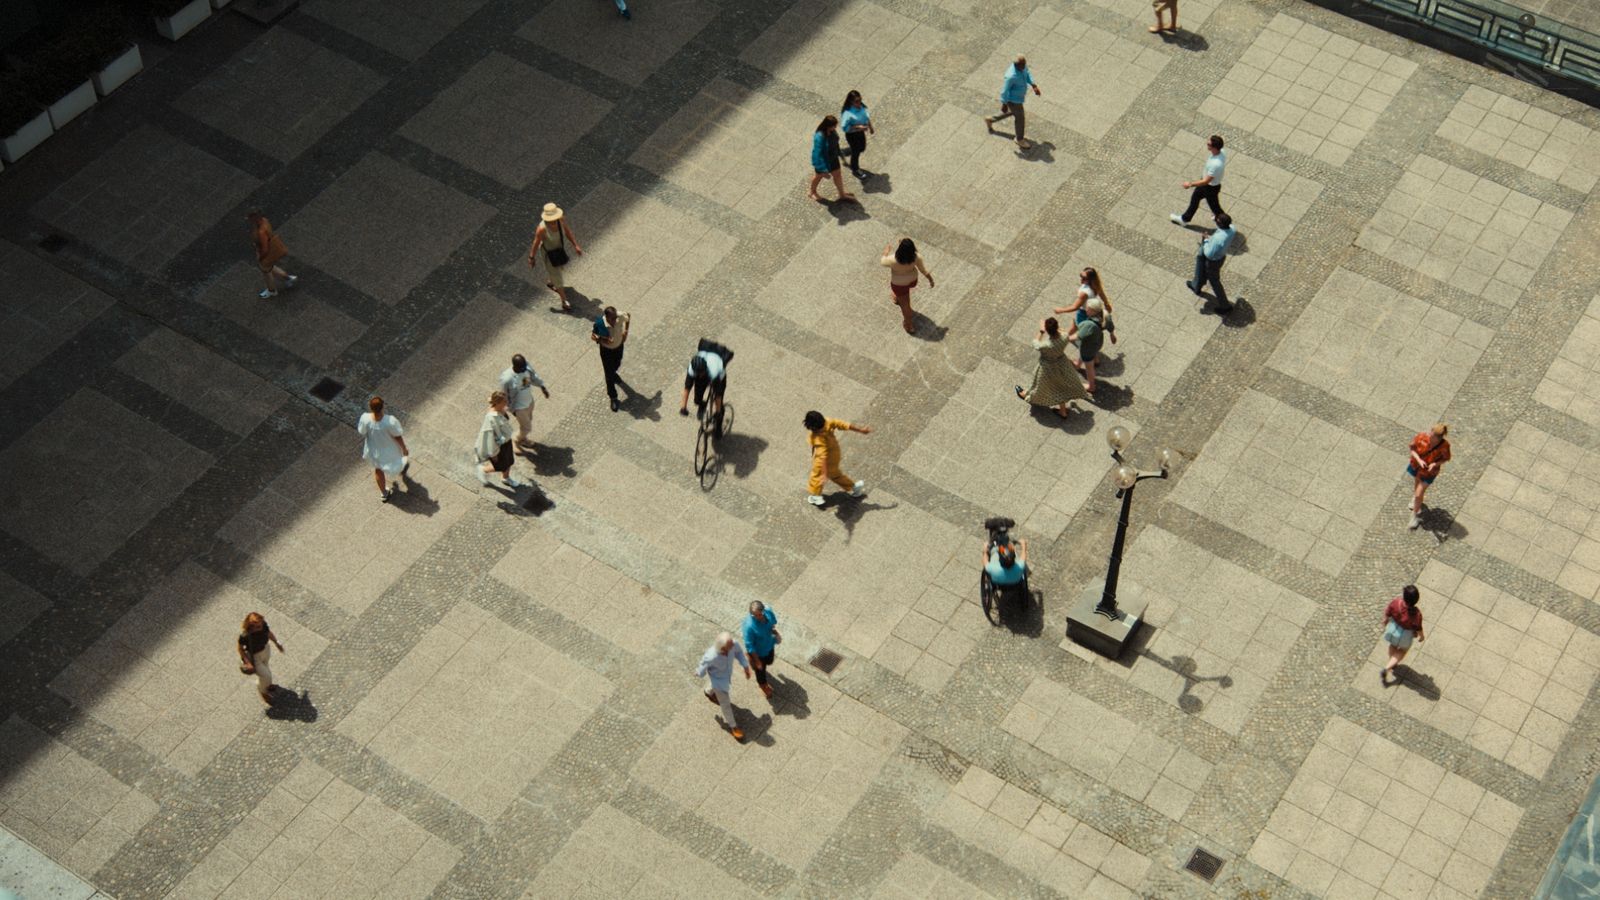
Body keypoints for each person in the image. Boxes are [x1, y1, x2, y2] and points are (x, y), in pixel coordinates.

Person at [1015, 318, 1090, 418]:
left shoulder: (1046, 345)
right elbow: (1063, 332)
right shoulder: (1065, 337)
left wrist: (1041, 331)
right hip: (1062, 364)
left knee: (1039, 385)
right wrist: (1054, 327)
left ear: (1047, 330)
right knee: (1060, 386)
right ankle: (1062, 411)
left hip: (1048, 367)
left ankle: (1028, 395)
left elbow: (1035, 343)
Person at [804, 410, 870, 507]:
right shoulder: (828, 422)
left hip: (825, 460)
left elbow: (822, 456)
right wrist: (860, 430)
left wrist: (824, 473)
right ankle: (855, 487)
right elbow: (843, 424)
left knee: (816, 476)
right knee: (836, 475)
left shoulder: (818, 437)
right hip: (835, 454)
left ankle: (816, 496)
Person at [695, 632, 751, 741]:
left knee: (717, 689)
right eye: (730, 645)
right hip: (718, 681)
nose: (733, 645)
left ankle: (708, 691)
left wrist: (745, 666)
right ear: (723, 648)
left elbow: (739, 653)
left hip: (725, 676)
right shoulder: (711, 656)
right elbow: (703, 665)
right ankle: (733, 726)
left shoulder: (733, 644)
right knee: (725, 703)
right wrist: (699, 672)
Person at [530, 203, 583, 312]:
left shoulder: (561, 220)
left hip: (558, 250)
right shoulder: (542, 229)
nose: (554, 221)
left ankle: (551, 281)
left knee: (557, 270)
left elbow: (567, 232)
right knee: (557, 275)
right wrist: (531, 257)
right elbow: (536, 243)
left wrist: (575, 245)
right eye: (551, 220)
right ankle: (564, 301)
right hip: (549, 254)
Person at [357, 396, 409, 502]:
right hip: (389, 449)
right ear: (382, 407)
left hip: (374, 449)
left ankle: (384, 493)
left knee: (378, 470)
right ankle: (400, 471)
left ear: (370, 407)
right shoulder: (389, 421)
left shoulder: (365, 418)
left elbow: (361, 431)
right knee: (395, 461)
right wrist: (404, 448)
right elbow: (397, 436)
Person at [984, 55, 1041, 150]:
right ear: (1016, 65)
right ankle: (1019, 139)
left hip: (1018, 98)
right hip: (1013, 100)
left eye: (1024, 64)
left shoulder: (1022, 67)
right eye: (1022, 65)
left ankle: (990, 119)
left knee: (1012, 112)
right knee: (1020, 118)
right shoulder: (1011, 76)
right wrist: (1004, 103)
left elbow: (1027, 73)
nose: (1024, 66)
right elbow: (1004, 91)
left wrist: (1033, 85)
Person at [679, 338, 733, 433]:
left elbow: (718, 396)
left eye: (701, 373)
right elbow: (687, 388)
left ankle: (718, 428)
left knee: (718, 402)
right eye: (697, 374)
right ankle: (702, 403)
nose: (699, 375)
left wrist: (718, 411)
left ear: (705, 369)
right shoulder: (692, 369)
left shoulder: (714, 371)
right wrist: (683, 407)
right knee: (697, 399)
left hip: (719, 377)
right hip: (706, 372)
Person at [881, 238, 935, 335]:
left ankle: (909, 325)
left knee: (906, 305)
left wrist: (885, 252)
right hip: (912, 280)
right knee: (903, 295)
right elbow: (923, 270)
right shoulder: (916, 257)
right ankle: (898, 299)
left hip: (899, 284)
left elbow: (883, 262)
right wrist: (930, 279)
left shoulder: (892, 259)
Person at [1052, 267, 1116, 346]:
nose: (1081, 279)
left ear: (1090, 279)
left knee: (1077, 326)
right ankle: (1068, 336)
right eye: (1081, 275)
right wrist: (1106, 303)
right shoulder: (1095, 285)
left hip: (1084, 312)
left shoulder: (1084, 293)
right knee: (1075, 325)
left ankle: (1068, 339)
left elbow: (1075, 307)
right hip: (1092, 310)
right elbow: (1101, 293)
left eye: (1084, 278)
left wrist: (1061, 310)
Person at [1186, 212, 1236, 314]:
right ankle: (1196, 286)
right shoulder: (1232, 229)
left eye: (1217, 221)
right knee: (1200, 268)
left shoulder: (1218, 239)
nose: (1216, 221)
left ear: (1221, 224)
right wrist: (1215, 218)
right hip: (1220, 257)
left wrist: (1205, 240)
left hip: (1213, 261)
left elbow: (1208, 253)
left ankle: (1225, 306)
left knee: (1214, 282)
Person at [1171, 135, 1227, 226]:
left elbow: (1206, 181)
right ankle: (1185, 218)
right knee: (1200, 201)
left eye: (1209, 144)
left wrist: (1190, 184)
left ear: (1214, 147)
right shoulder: (1222, 152)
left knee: (1213, 206)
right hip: (1212, 186)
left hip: (1209, 187)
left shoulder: (1215, 164)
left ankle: (1225, 223)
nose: (1207, 144)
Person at [1406, 424, 1451, 530]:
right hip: (1417, 466)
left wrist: (1435, 464)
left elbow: (1446, 458)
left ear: (1439, 438)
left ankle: (1414, 515)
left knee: (1418, 493)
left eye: (1432, 437)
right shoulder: (1422, 437)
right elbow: (1412, 449)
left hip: (1429, 472)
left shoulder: (1445, 446)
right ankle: (1417, 501)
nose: (1429, 437)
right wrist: (1419, 460)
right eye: (1430, 434)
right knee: (1417, 485)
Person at [500, 354, 549, 449]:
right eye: (522, 369)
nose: (524, 370)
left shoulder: (526, 367)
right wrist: (504, 410)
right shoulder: (507, 379)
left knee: (527, 422)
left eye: (525, 367)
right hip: (519, 407)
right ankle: (516, 439)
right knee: (527, 427)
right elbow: (504, 395)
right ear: (515, 366)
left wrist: (542, 387)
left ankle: (523, 439)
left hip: (529, 401)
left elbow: (533, 376)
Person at [475, 390, 523, 488]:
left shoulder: (499, 409)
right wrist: (493, 454)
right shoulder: (491, 419)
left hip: (507, 441)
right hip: (499, 446)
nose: (507, 403)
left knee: (509, 461)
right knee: (500, 465)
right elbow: (489, 438)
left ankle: (505, 478)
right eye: (504, 401)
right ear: (498, 403)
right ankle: (483, 470)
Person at [237, 612, 285, 705]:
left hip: (266, 650)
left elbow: (268, 633)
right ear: (251, 626)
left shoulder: (263, 626)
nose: (261, 627)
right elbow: (240, 649)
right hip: (255, 657)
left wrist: (276, 642)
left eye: (261, 624)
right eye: (258, 626)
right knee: (266, 676)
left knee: (266, 669)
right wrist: (248, 663)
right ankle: (263, 691)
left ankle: (268, 685)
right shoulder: (245, 636)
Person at [1380, 585, 1425, 684]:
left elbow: (1388, 611)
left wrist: (1385, 620)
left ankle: (1392, 663)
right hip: (1406, 636)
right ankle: (1388, 667)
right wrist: (1421, 637)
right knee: (1403, 651)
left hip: (1394, 630)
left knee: (1393, 645)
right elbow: (1418, 627)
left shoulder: (1396, 603)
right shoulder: (1417, 614)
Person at [247, 212, 297, 299]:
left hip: (267, 252)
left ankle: (272, 291)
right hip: (274, 247)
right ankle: (287, 278)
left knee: (266, 271)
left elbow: (265, 248)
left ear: (255, 218)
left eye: (250, 218)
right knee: (269, 267)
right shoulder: (265, 220)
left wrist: (261, 258)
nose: (249, 220)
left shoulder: (261, 231)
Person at [590, 306, 631, 412]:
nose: (615, 320)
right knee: (609, 375)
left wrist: (626, 331)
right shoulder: (600, 324)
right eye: (612, 318)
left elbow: (628, 316)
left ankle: (613, 373)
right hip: (606, 351)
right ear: (606, 317)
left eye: (615, 317)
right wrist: (604, 340)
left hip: (619, 347)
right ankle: (613, 397)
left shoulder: (619, 316)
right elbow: (593, 336)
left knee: (617, 364)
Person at [808, 116, 856, 203]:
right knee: (818, 177)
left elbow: (835, 144)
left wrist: (840, 154)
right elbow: (816, 154)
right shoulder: (819, 137)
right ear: (827, 126)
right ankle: (812, 192)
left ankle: (842, 195)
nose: (835, 128)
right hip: (823, 162)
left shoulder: (832, 131)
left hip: (833, 159)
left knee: (838, 175)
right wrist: (823, 169)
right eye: (834, 126)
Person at [1067, 298, 1107, 393]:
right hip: (1097, 342)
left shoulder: (1089, 325)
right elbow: (1110, 326)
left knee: (1089, 368)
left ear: (1093, 311)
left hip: (1089, 348)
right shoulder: (1104, 315)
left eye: (1088, 309)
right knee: (1084, 352)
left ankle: (1091, 386)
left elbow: (1077, 336)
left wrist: (1065, 339)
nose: (1086, 310)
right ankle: (1077, 364)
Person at [742, 601, 781, 700]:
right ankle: (763, 685)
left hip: (769, 644)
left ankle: (752, 659)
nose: (758, 617)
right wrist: (756, 660)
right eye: (754, 615)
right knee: (760, 671)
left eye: (760, 614)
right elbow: (749, 645)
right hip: (758, 653)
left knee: (770, 661)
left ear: (763, 611)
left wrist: (774, 632)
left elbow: (773, 623)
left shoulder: (768, 611)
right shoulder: (749, 626)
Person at [983, 518, 1029, 595]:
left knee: (992, 551)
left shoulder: (992, 568)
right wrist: (1023, 545)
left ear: (1000, 559)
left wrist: (985, 550)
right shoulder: (1019, 567)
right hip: (1015, 582)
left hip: (997, 582)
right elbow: (1023, 556)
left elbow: (984, 561)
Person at [840, 90, 875, 179]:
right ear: (851, 101)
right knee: (856, 153)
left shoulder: (861, 105)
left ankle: (844, 152)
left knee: (862, 148)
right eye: (856, 101)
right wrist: (858, 127)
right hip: (852, 135)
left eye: (860, 99)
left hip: (860, 132)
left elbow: (866, 116)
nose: (859, 102)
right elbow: (845, 128)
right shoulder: (847, 113)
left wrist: (870, 126)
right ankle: (855, 169)